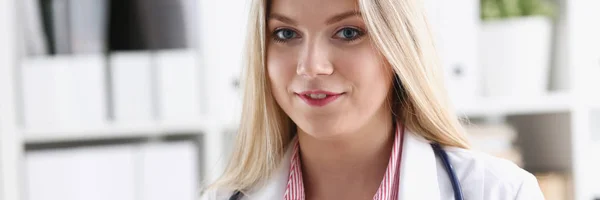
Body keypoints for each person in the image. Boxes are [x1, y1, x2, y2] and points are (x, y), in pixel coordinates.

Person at [202, 0, 545, 199]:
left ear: (398, 48)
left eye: (348, 33)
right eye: (286, 34)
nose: (311, 66)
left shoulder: (499, 192)